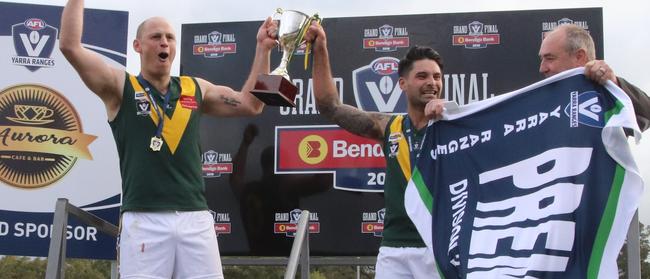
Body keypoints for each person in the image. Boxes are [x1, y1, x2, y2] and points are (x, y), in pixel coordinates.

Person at [59, 0, 278, 278]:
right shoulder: (120, 87)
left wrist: (263, 49)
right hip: (144, 219)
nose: (164, 42)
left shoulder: (195, 88)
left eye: (169, 37)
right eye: (155, 37)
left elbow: (251, 105)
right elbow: (70, 46)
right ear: (138, 46)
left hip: (195, 218)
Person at [305, 22, 445, 279]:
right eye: (422, 76)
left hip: (439, 247)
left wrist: (451, 114)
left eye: (437, 77)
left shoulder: (456, 126)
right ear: (402, 83)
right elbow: (330, 106)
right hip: (393, 249)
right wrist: (321, 48)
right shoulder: (388, 126)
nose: (432, 83)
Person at [539, 23, 650, 132]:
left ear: (579, 57)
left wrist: (614, 84)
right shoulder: (539, 105)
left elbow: (646, 114)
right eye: (542, 59)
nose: (542, 68)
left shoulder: (606, 96)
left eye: (550, 58)